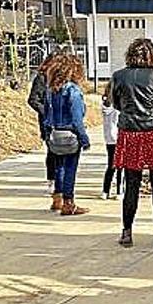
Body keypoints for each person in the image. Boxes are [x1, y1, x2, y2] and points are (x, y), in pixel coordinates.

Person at [111, 38, 153, 248]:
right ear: (152, 56)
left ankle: (127, 232)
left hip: (130, 133)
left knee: (131, 185)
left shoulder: (119, 76)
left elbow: (116, 103)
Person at [43, 53, 90, 216]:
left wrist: (47, 134)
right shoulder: (73, 91)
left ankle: (57, 198)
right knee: (70, 168)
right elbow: (77, 120)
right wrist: (84, 139)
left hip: (55, 134)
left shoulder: (51, 90)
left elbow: (47, 116)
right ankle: (69, 203)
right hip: (70, 135)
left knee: (59, 167)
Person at [28, 53, 59, 194]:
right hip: (48, 122)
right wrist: (47, 112)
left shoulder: (61, 79)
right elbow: (33, 100)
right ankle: (51, 180)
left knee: (63, 152)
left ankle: (61, 181)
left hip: (62, 122)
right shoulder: (41, 78)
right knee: (52, 152)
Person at [101, 83, 122, 200]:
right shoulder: (119, 105)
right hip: (119, 137)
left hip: (109, 138)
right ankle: (119, 191)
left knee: (110, 165)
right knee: (121, 165)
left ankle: (105, 190)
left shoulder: (105, 104)